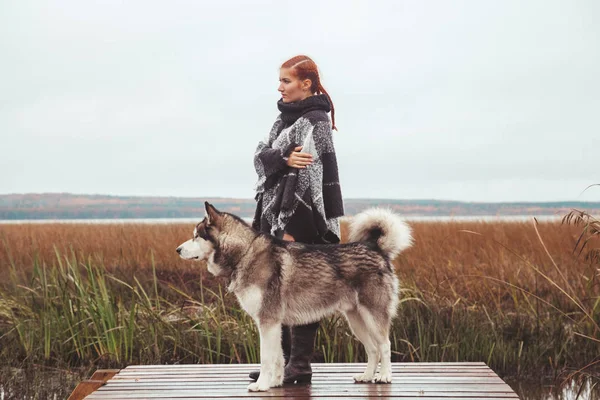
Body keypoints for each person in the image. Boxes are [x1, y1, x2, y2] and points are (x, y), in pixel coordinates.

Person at [250, 54, 344, 383]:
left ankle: (299, 366)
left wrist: (292, 226)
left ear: (306, 84)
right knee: (279, 291)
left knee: (302, 292)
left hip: (300, 221)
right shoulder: (284, 120)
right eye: (280, 81)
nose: (279, 88)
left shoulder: (315, 119)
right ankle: (287, 363)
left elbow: (312, 176)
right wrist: (283, 157)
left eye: (286, 81)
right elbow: (259, 156)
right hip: (273, 216)